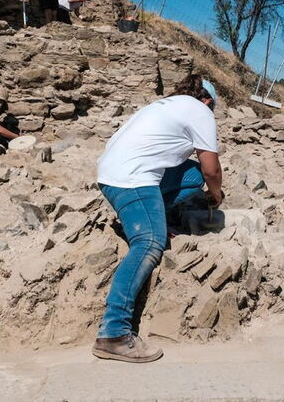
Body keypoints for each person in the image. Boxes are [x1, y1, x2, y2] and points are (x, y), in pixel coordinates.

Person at [92, 74, 223, 363]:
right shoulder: (200, 110)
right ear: (208, 101)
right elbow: (212, 169)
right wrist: (217, 195)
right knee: (150, 242)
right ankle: (113, 334)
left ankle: (153, 215)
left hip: (111, 172)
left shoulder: (163, 105)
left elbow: (198, 170)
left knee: (192, 175)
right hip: (131, 179)